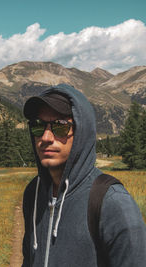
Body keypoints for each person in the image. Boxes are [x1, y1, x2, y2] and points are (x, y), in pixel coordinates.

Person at [22, 83, 146, 267]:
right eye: (38, 126)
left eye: (60, 126)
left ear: (82, 132)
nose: (46, 137)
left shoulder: (112, 202)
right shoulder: (33, 192)